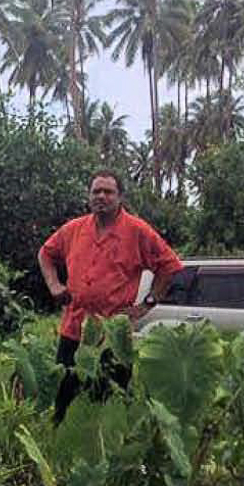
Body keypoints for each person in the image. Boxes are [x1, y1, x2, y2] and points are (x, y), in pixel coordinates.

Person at [38, 170, 183, 423]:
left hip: (113, 337)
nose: (101, 197)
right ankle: (62, 458)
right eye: (96, 191)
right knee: (64, 404)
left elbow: (169, 266)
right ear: (89, 196)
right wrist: (54, 285)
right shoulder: (74, 229)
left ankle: (107, 456)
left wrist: (146, 304)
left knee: (110, 405)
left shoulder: (138, 231)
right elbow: (46, 253)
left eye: (108, 192)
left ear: (120, 197)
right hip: (73, 331)